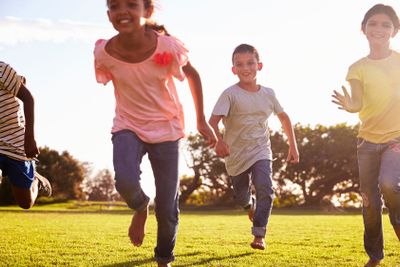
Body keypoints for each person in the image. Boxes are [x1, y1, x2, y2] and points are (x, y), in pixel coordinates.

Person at [93, 0, 215, 266]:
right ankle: (139, 206)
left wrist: (201, 119)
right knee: (125, 180)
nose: (122, 11)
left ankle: (163, 259)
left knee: (167, 207)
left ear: (147, 12)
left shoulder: (166, 47)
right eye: (115, 6)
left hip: (167, 130)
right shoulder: (104, 51)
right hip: (127, 124)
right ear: (108, 14)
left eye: (131, 5)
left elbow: (192, 75)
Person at [209, 44, 299, 251]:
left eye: (250, 63)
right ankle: (249, 205)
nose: (245, 68)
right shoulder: (229, 94)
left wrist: (292, 145)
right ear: (233, 69)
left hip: (261, 150)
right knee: (241, 196)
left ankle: (259, 234)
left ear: (259, 65)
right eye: (239, 64)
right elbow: (212, 122)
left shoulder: (268, 93)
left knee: (266, 187)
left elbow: (284, 117)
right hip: (235, 154)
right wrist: (219, 141)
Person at [332, 4, 400, 267]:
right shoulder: (357, 67)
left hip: (396, 139)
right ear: (363, 30)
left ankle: (397, 219)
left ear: (395, 30)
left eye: (386, 24)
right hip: (367, 143)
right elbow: (358, 102)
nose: (379, 29)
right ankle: (375, 255)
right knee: (370, 202)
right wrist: (351, 106)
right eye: (373, 24)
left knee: (389, 184)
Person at [0, 61, 52, 209]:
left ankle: (36, 179)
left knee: (25, 203)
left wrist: (29, 139)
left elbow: (28, 99)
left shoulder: (2, 70)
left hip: (16, 142)